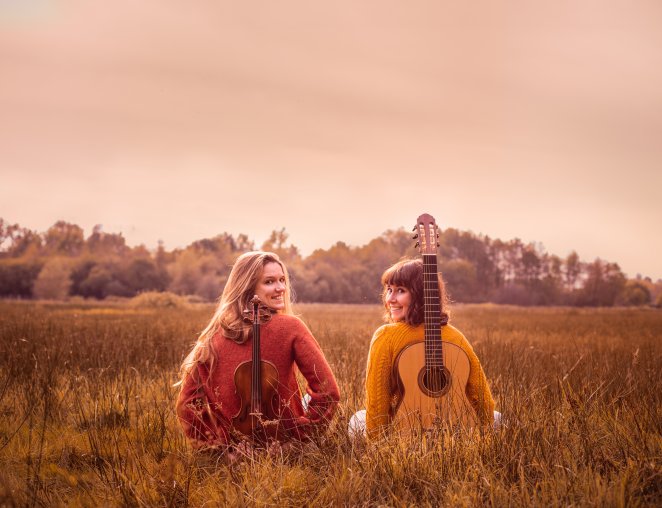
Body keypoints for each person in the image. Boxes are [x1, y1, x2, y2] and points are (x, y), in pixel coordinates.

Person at [176, 251, 340, 456]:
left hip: (237, 449)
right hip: (284, 445)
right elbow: (329, 392)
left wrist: (220, 449)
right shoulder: (291, 327)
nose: (281, 288)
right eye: (269, 282)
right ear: (248, 287)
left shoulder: (213, 336)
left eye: (282, 280)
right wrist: (300, 436)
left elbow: (187, 404)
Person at [349, 258, 499, 440]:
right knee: (498, 418)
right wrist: (485, 440)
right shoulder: (455, 336)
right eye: (389, 290)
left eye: (401, 291)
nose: (390, 299)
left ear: (421, 295)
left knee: (358, 419)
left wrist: (378, 451)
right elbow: (482, 399)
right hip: (455, 433)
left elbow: (377, 405)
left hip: (405, 435)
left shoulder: (386, 336)